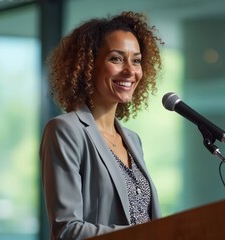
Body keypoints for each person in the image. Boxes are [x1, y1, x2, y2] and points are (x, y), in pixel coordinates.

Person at [40, 11, 164, 240]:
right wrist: (145, 235)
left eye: (136, 60)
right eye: (116, 58)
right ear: (88, 65)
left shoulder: (133, 140)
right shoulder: (65, 130)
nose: (130, 70)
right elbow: (67, 230)